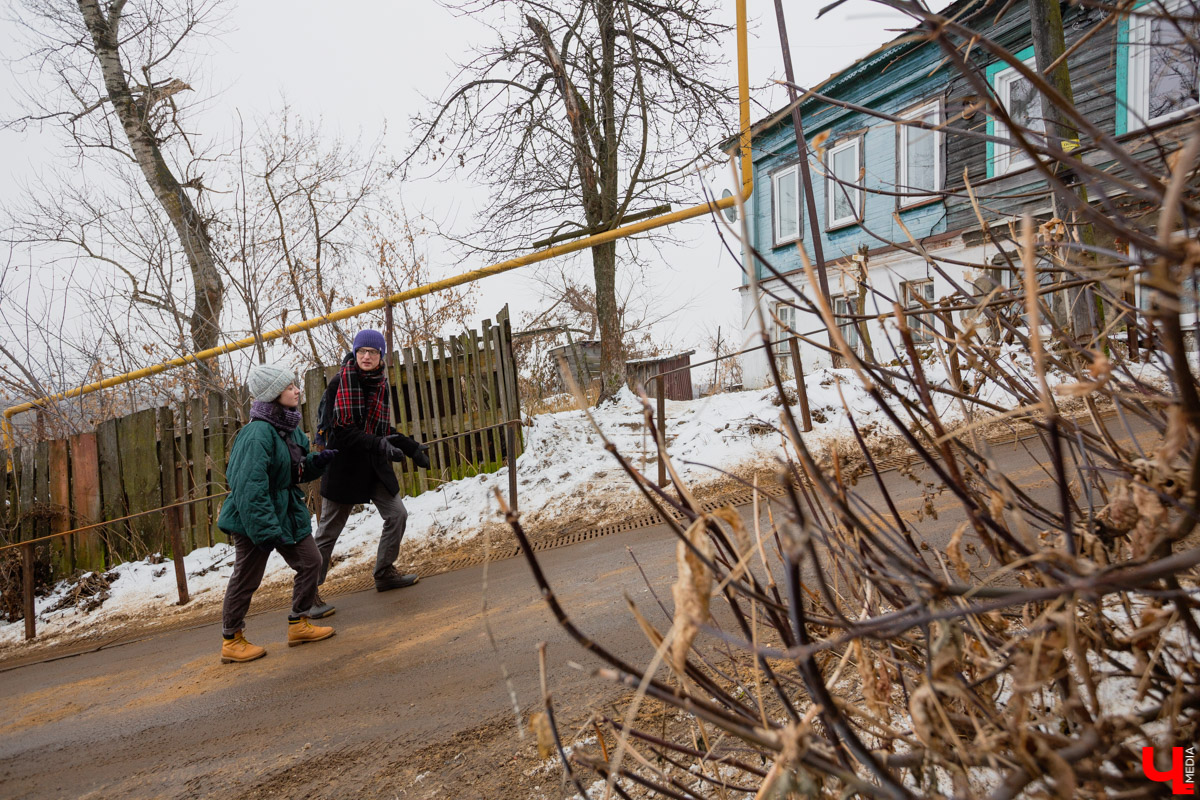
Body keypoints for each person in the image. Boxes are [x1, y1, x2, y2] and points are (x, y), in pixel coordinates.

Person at [217, 362, 340, 664]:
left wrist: (317, 462)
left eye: (294, 385)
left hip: (284, 511)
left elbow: (292, 472)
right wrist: (264, 530)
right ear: (273, 395)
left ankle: (299, 623)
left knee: (311, 561)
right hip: (253, 518)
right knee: (247, 578)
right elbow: (248, 486)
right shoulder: (258, 434)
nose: (296, 390)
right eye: (289, 387)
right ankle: (232, 639)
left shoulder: (288, 428)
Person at [313, 329, 430, 603]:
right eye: (362, 351)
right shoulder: (339, 383)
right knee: (328, 533)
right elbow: (343, 431)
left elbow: (380, 428)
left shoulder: (381, 384)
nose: (367, 356)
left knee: (397, 515)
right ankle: (307, 593)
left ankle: (384, 572)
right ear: (355, 353)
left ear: (381, 357)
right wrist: (381, 445)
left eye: (373, 352)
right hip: (344, 465)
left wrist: (410, 447)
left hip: (373, 465)